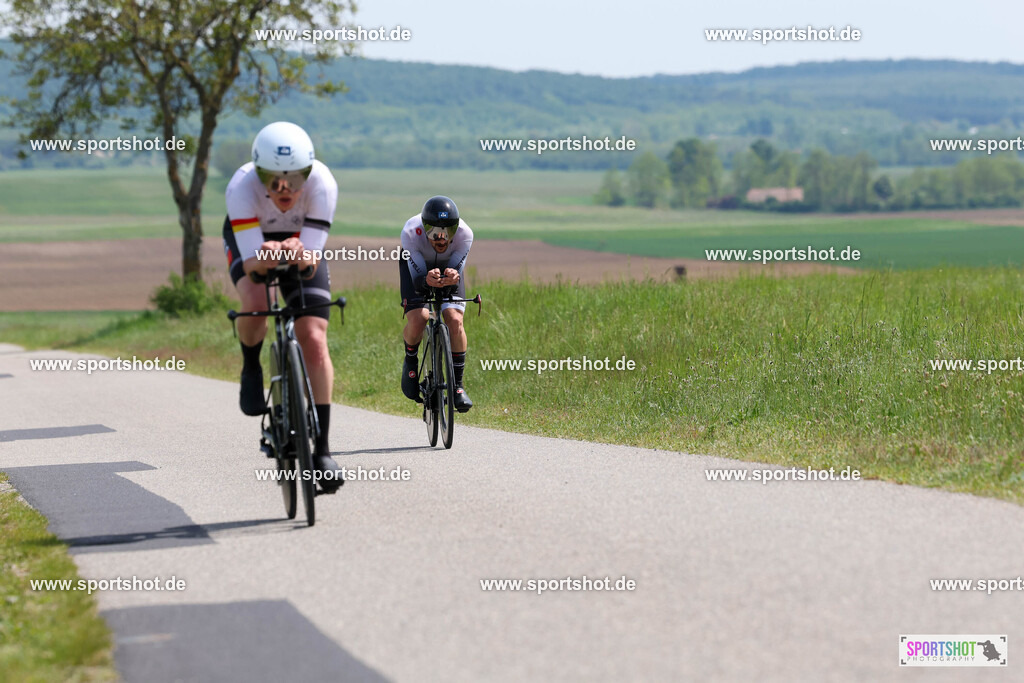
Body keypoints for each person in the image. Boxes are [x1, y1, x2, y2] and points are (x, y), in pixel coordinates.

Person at [222, 121, 342, 490]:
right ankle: (250, 366)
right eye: (272, 180)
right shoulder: (241, 188)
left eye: (295, 178)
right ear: (258, 173)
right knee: (256, 301)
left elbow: (309, 264)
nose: (284, 189)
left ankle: (323, 449)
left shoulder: (323, 184)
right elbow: (253, 267)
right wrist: (265, 256)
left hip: (299, 241)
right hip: (253, 240)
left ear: (309, 171)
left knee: (314, 337)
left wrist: (300, 254)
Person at [399, 196, 475, 412]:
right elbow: (417, 279)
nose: (441, 240)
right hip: (416, 267)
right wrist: (425, 280)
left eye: (448, 232)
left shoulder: (465, 234)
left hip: (448, 266)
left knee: (454, 319)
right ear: (424, 228)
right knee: (420, 317)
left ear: (456, 228)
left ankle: (457, 386)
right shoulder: (410, 232)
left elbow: (456, 272)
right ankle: (411, 360)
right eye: (434, 234)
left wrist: (452, 276)